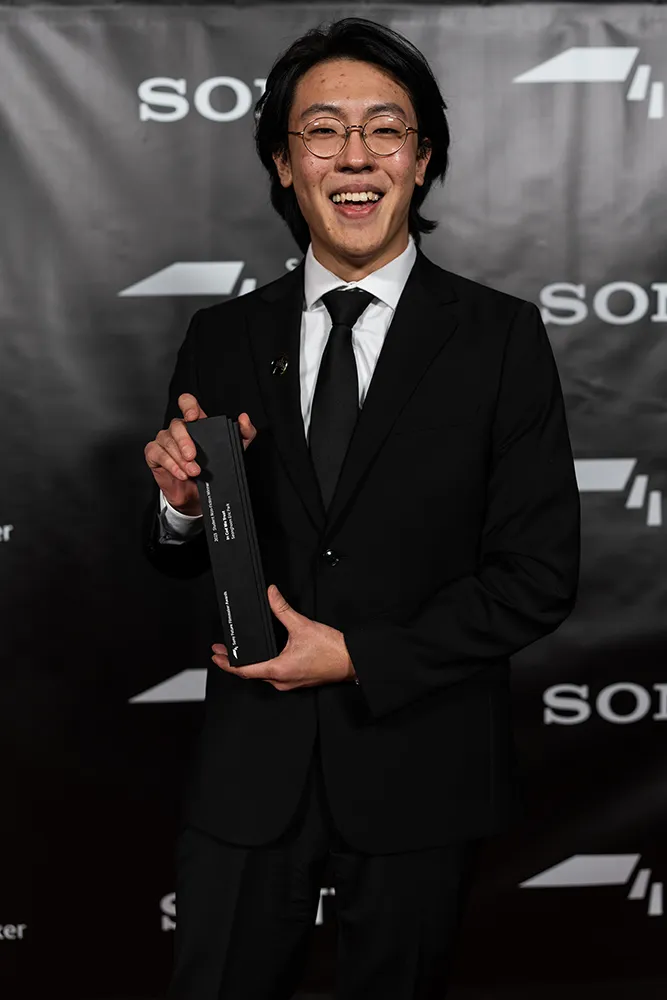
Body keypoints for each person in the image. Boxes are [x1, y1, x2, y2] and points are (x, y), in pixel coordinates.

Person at [143, 16, 580, 1000]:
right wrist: (176, 506)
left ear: (422, 162)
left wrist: (356, 654)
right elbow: (187, 550)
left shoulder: (499, 340)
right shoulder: (221, 336)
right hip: (248, 775)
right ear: (282, 162)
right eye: (321, 130)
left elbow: (536, 578)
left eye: (385, 129)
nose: (354, 155)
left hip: (419, 770)